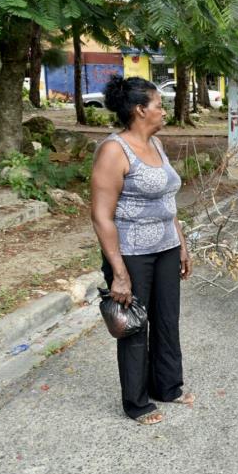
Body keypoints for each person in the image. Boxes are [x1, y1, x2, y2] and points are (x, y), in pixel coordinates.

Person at [91, 75, 194, 425]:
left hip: (166, 248)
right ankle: (136, 403)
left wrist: (179, 243)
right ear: (139, 109)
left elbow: (168, 201)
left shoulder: (157, 145)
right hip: (133, 252)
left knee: (167, 321)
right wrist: (118, 271)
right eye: (158, 105)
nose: (163, 111)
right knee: (135, 326)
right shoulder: (113, 150)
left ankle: (167, 387)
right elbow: (101, 216)